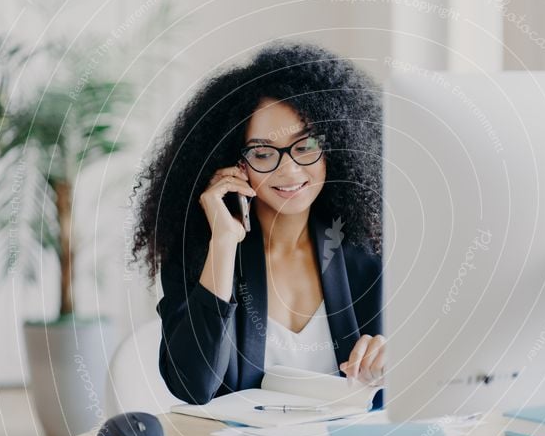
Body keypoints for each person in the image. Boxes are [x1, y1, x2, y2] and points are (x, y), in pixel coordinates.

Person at [131, 41, 384, 407]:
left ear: (338, 145)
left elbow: (414, 380)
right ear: (235, 164)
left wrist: (391, 359)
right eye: (263, 153)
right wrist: (224, 242)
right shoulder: (202, 253)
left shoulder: (368, 250)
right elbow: (193, 386)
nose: (290, 169)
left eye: (306, 145)